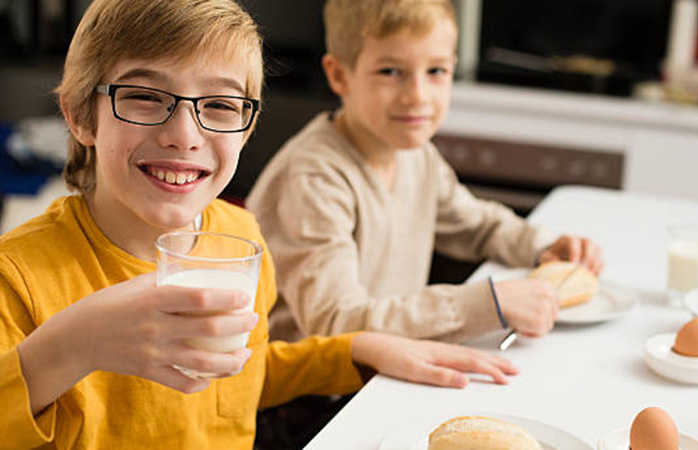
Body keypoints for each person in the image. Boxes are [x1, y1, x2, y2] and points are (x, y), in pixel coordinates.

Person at [0, 1, 520, 448]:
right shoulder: (16, 277)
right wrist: (69, 348)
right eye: (145, 97)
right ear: (80, 116)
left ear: (247, 126)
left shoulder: (241, 239)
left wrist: (353, 350)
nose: (184, 134)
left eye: (221, 105)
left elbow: (241, 381)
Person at [246, 0, 605, 344]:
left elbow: (476, 224)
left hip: (384, 367)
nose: (417, 96)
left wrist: (541, 246)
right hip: (313, 398)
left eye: (436, 71)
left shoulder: (416, 156)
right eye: (390, 72)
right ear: (339, 75)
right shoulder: (315, 178)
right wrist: (484, 304)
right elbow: (337, 323)